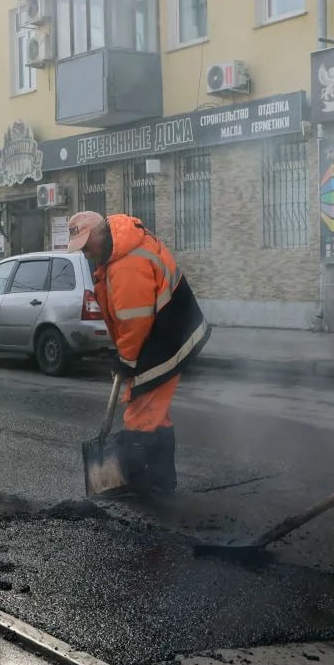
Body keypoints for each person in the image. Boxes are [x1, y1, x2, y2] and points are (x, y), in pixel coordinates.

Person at [67, 210, 210, 498]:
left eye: (86, 244)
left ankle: (144, 484)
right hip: (162, 335)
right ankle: (162, 481)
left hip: (165, 339)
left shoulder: (127, 264)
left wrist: (126, 360)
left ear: (100, 233)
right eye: (80, 247)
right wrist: (124, 355)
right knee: (156, 413)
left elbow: (135, 319)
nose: (85, 252)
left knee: (140, 415)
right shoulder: (118, 253)